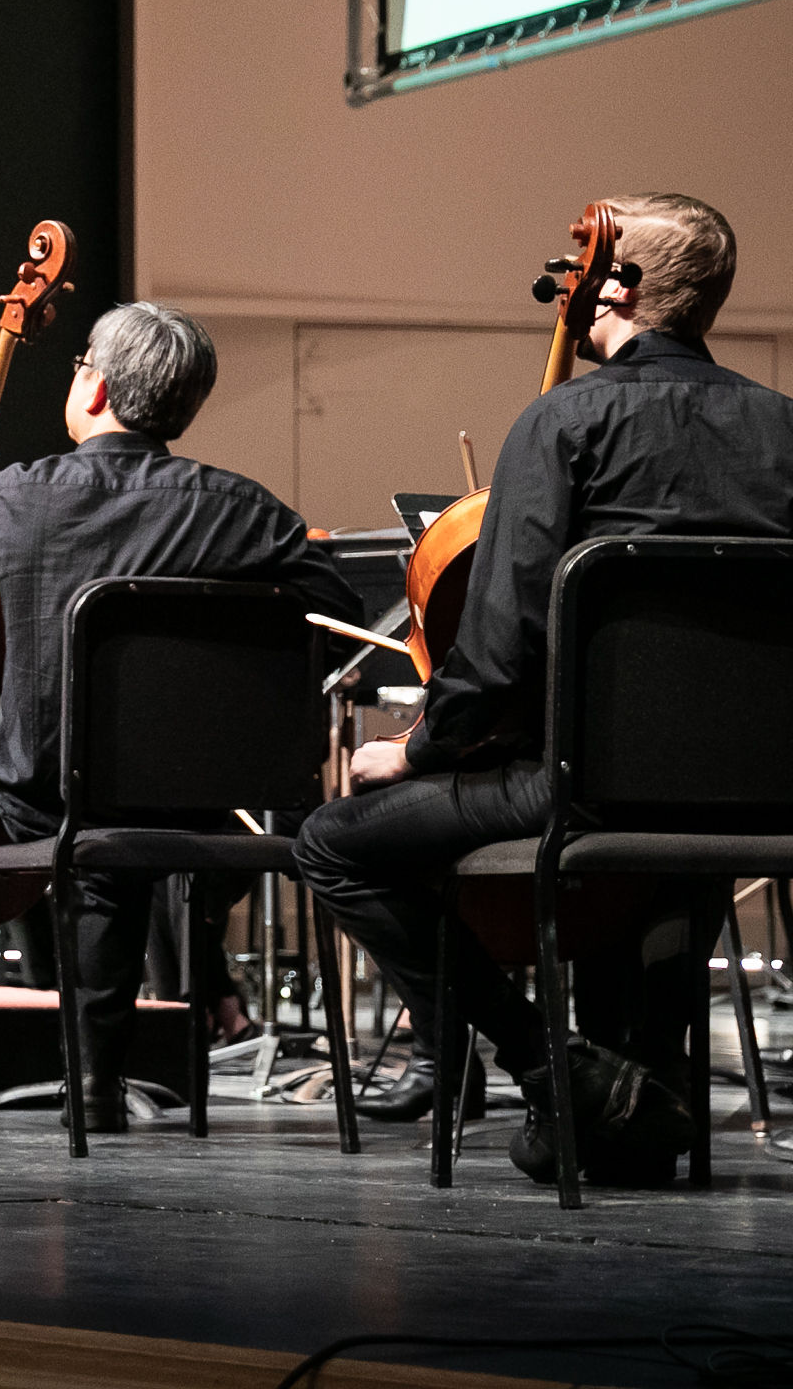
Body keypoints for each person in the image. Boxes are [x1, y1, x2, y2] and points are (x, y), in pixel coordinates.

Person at [297, 192, 793, 1189]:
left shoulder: (564, 420)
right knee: (667, 851)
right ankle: (641, 1082)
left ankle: (544, 1062)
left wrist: (419, 748)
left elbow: (501, 646)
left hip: (582, 789)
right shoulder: (784, 430)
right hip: (757, 796)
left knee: (331, 845)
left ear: (617, 283)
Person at [0, 301, 353, 1125]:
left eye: (81, 363)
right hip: (202, 793)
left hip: (47, 789)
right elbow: (332, 609)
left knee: (87, 836)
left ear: (97, 388)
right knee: (145, 826)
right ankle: (140, 1046)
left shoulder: (21, 499)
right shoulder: (242, 510)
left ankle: (92, 1084)